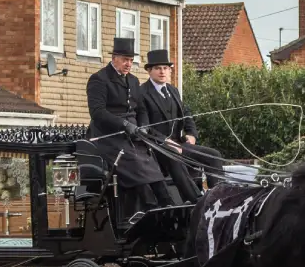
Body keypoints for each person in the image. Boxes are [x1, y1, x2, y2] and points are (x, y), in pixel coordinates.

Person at [86, 37, 179, 214]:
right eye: (125, 59)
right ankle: (150, 207)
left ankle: (168, 204)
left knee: (148, 159)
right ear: (114, 58)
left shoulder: (134, 81)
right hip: (108, 138)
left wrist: (142, 127)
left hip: (132, 135)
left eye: (131, 60)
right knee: (135, 161)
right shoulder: (99, 79)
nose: (129, 64)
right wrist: (124, 124)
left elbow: (141, 109)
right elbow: (97, 113)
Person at [136, 48, 226, 202]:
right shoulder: (142, 93)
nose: (162, 72)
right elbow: (145, 127)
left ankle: (217, 198)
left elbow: (187, 114)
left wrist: (191, 134)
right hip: (158, 149)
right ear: (149, 71)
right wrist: (165, 141)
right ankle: (196, 200)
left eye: (165, 68)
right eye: (158, 68)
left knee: (214, 155)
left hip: (181, 144)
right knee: (174, 156)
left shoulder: (173, 90)